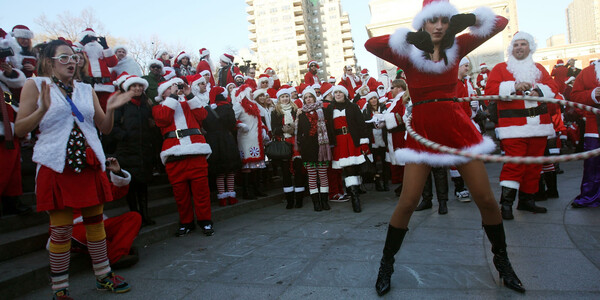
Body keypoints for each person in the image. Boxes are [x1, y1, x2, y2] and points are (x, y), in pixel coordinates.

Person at [365, 0, 524, 295]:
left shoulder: (457, 46)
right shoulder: (409, 55)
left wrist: (468, 19)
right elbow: (370, 43)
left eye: (444, 20)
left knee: (486, 200)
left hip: (456, 130)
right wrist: (410, 38)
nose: (438, 26)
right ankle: (386, 264)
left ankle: (503, 262)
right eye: (432, 20)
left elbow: (499, 23)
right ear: (423, 23)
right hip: (423, 134)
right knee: (409, 201)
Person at [15, 39, 133, 299]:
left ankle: (103, 277)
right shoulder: (34, 85)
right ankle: (60, 288)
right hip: (56, 164)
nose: (72, 62)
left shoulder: (85, 89)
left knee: (95, 223)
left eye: (74, 57)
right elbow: (20, 129)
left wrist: (111, 109)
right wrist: (42, 110)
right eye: (64, 58)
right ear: (49, 62)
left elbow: (104, 128)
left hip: (89, 163)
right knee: (60, 229)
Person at [485, 31, 559, 220]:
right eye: (516, 44)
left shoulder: (539, 69)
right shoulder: (501, 68)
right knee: (514, 165)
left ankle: (527, 200)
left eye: (523, 44)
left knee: (534, 166)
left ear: (530, 47)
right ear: (511, 48)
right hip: (513, 127)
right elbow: (490, 91)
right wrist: (513, 87)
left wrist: (539, 91)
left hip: (539, 126)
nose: (519, 47)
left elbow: (554, 88)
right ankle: (506, 204)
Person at [153, 78, 215, 237]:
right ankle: (186, 222)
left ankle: (205, 221)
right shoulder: (158, 108)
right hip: (174, 154)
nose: (175, 89)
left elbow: (202, 115)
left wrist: (189, 94)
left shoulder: (189, 103)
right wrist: (172, 97)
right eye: (170, 88)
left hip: (196, 151)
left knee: (201, 192)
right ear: (163, 92)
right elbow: (163, 119)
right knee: (181, 194)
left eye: (177, 87)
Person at [111, 74, 156, 226]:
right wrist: (124, 136)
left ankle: (145, 216)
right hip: (127, 150)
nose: (137, 88)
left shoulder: (147, 104)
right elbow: (113, 125)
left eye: (139, 86)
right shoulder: (122, 104)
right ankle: (135, 217)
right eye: (133, 86)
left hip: (143, 150)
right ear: (128, 88)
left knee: (143, 185)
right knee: (131, 186)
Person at [325, 85, 370, 213]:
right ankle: (355, 196)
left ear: (344, 94)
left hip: (352, 139)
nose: (338, 94)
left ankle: (354, 193)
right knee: (349, 168)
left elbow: (362, 125)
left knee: (353, 168)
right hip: (339, 142)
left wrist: (364, 142)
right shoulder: (330, 108)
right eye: (336, 93)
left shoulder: (353, 107)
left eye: (340, 92)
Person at [0, 45, 31, 216]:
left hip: (8, 127)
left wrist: (9, 73)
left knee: (12, 168)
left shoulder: (4, 89)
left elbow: (11, 101)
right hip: (4, 128)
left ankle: (12, 202)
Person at [570, 59, 600, 208]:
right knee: (593, 164)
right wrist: (593, 94)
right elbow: (574, 97)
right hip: (594, 126)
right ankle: (590, 195)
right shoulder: (587, 72)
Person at [297, 87, 332, 211]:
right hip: (308, 148)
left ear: (314, 97)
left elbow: (329, 128)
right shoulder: (300, 114)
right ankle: (316, 202)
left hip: (321, 147)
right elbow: (299, 132)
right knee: (312, 176)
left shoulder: (322, 111)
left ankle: (324, 201)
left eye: (310, 96)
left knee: (323, 175)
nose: (308, 99)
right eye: (306, 97)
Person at [271, 87, 305, 208]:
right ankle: (290, 199)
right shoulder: (275, 112)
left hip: (296, 143)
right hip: (284, 144)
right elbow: (273, 129)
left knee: (298, 170)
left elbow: (302, 126)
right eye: (282, 97)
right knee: (285, 172)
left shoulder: (296, 110)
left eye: (286, 96)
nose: (285, 99)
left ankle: (299, 198)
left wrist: (294, 128)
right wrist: (283, 129)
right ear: (279, 99)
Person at [234, 84, 269, 199]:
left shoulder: (254, 105)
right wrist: (240, 125)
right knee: (247, 166)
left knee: (257, 166)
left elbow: (258, 120)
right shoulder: (238, 106)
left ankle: (257, 189)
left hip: (256, 137)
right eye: (250, 93)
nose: (252, 94)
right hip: (245, 138)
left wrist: (263, 129)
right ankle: (246, 191)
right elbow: (232, 119)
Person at [78, 28, 118, 112]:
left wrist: (106, 47)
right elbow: (72, 54)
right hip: (88, 85)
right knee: (89, 110)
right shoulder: (81, 52)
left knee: (107, 110)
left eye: (93, 38)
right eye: (89, 39)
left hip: (106, 86)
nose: (92, 42)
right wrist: (82, 43)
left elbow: (112, 63)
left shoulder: (102, 51)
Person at [363, 91, 390, 191]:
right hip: (372, 140)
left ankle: (386, 182)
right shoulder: (366, 111)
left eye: (375, 98)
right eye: (371, 98)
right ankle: (377, 182)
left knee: (385, 162)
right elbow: (364, 124)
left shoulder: (384, 108)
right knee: (374, 163)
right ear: (368, 101)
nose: (373, 100)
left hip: (383, 138)